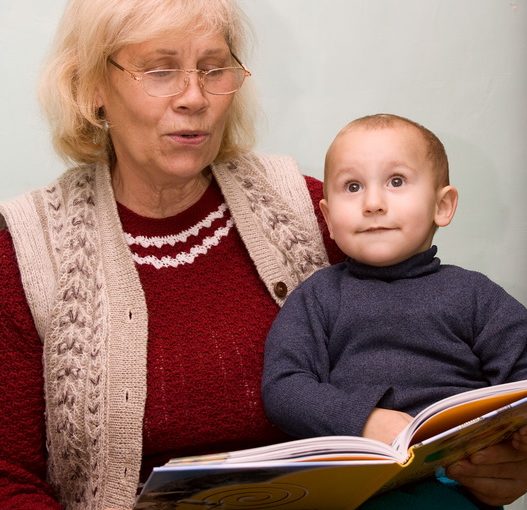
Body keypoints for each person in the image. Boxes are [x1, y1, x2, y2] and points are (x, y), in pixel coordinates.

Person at [0, 0, 524, 506]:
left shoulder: (321, 212)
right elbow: (8, 481)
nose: (194, 97)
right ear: (92, 88)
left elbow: (433, 362)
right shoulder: (28, 250)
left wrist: (505, 468)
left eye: (213, 68)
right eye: (160, 70)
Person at [262, 113, 527, 508]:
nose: (372, 203)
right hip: (352, 482)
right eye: (352, 187)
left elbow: (520, 374)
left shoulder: (475, 295)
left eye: (396, 182)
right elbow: (284, 386)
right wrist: (363, 420)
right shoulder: (317, 296)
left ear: (443, 205)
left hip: (453, 479)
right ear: (328, 218)